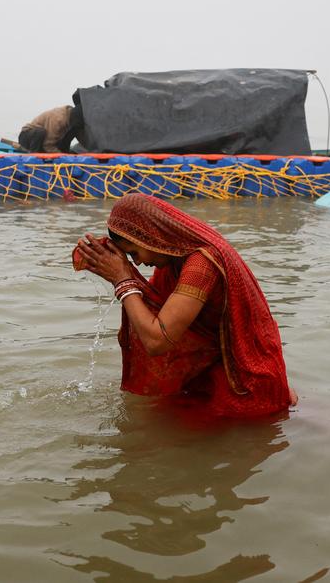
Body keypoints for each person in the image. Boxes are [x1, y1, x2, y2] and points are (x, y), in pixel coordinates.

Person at [72, 194, 296, 418]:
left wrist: (123, 280)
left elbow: (156, 340)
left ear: (151, 235)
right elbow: (153, 312)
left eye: (133, 252)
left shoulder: (202, 264)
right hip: (209, 376)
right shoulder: (174, 259)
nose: (138, 262)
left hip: (243, 385)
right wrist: (125, 275)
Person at [17, 105, 83, 153]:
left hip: (44, 142)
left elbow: (64, 142)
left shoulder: (70, 118)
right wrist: (62, 156)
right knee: (40, 132)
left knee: (69, 135)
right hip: (27, 137)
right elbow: (48, 145)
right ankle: (34, 156)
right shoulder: (58, 119)